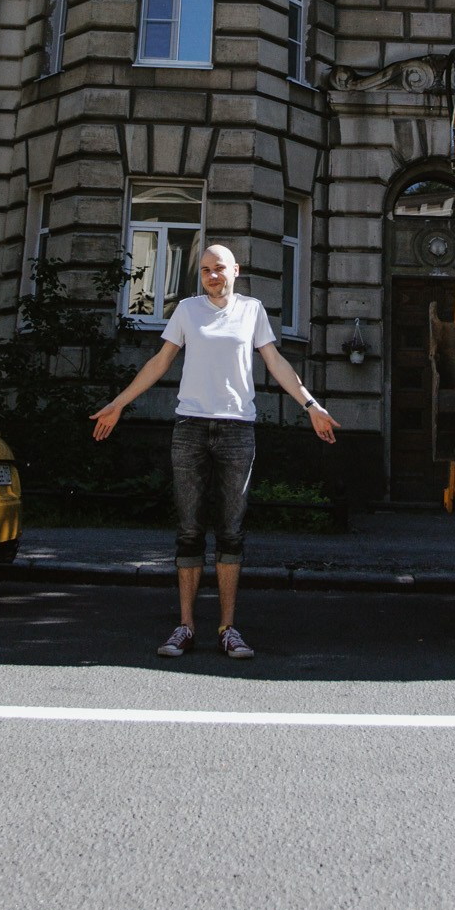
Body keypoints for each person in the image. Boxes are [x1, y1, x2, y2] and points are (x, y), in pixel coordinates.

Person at [92, 243, 336, 660]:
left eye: (219, 268)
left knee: (231, 531)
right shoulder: (187, 311)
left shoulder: (252, 311)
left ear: (235, 270)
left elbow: (275, 362)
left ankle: (228, 628)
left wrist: (310, 405)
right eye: (205, 270)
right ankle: (185, 627)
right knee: (189, 530)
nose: (212, 276)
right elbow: (159, 362)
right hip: (190, 429)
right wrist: (119, 402)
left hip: (238, 430)